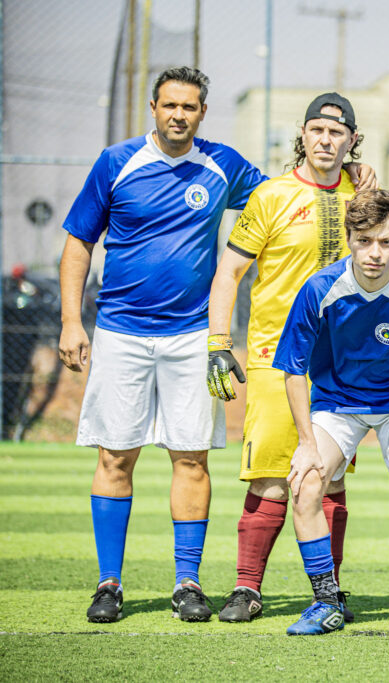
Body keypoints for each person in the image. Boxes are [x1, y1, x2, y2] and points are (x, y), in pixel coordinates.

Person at [59, 67, 268, 624]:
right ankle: (108, 584)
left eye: (189, 107)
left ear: (203, 113)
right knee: (114, 455)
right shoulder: (116, 162)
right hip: (120, 332)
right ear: (153, 107)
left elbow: (284, 193)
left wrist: (346, 173)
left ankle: (187, 583)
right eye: (170, 105)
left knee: (191, 457)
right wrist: (71, 322)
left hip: (193, 336)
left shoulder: (222, 164)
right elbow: (78, 243)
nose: (179, 115)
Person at [206, 93, 372, 623]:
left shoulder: (362, 197)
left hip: (341, 364)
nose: (326, 140)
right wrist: (218, 341)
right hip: (276, 358)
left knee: (331, 477)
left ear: (351, 141)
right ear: (303, 135)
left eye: (337, 132)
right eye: (317, 130)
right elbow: (229, 272)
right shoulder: (270, 195)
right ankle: (247, 588)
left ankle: (329, 592)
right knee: (271, 477)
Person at [273, 189, 389, 636]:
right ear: (349, 240)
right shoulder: (320, 287)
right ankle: (325, 603)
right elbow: (294, 370)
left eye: (386, 242)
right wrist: (306, 443)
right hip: (338, 402)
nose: (375, 253)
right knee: (305, 484)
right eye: (364, 241)